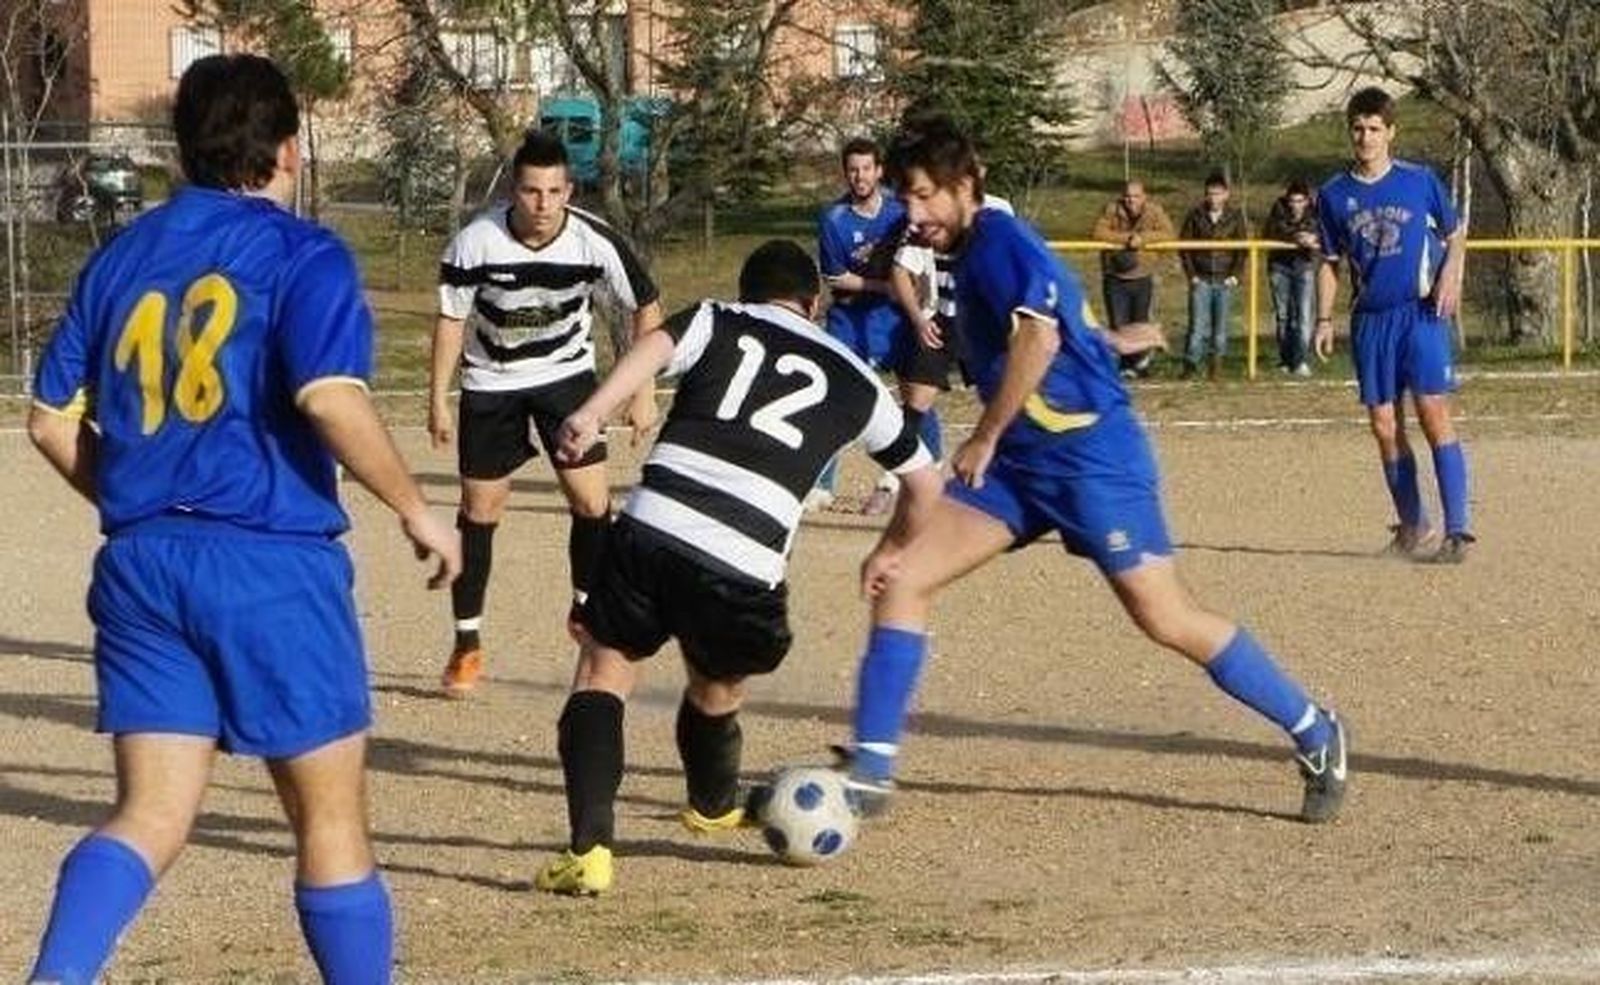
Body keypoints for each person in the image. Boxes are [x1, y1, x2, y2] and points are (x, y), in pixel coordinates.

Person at [23, 54, 460, 984]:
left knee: (150, 811)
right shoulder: (303, 254)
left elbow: (48, 420)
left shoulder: (120, 257)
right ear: (290, 150)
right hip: (267, 562)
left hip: (141, 565)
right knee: (330, 819)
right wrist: (419, 507)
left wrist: (140, 499)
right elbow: (330, 397)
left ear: (182, 148)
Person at [838, 117, 1349, 827]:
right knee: (903, 579)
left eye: (924, 196)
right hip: (1021, 462)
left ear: (966, 183)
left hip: (1092, 459)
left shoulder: (998, 243)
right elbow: (1059, 324)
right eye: (905, 199)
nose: (913, 213)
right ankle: (870, 770)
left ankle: (1315, 729)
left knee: (1164, 616)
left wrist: (985, 435)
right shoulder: (967, 251)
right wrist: (1103, 342)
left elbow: (1039, 337)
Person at [533, 240, 942, 895]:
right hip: (747, 562)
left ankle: (589, 850)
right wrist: (891, 548)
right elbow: (924, 486)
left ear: (749, 293)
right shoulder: (858, 380)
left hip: (656, 522)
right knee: (718, 686)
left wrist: (591, 411)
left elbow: (654, 348)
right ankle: (714, 801)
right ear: (815, 303)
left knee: (605, 669)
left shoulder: (719, 316)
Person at [429, 131, 663, 696]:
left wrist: (643, 390)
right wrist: (438, 395)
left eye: (554, 191)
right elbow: (452, 320)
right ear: (515, 190)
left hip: (566, 380)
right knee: (481, 509)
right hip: (492, 383)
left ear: (569, 190)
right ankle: (466, 642)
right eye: (532, 191)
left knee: (592, 500)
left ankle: (584, 611)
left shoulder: (594, 240)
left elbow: (648, 308)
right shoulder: (475, 242)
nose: (542, 204)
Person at [1314, 86, 1474, 563]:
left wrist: (1451, 273)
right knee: (1384, 426)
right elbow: (1329, 260)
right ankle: (1413, 525)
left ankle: (1457, 530)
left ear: (1391, 133)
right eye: (1358, 129)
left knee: (1432, 412)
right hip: (1371, 321)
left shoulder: (1419, 180)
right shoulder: (1333, 194)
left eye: (1375, 129)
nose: (1366, 137)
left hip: (1419, 315)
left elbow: (1455, 232)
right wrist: (1324, 318)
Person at [872, 191, 1016, 515]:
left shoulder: (998, 211)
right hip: (939, 318)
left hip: (981, 321)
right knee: (915, 404)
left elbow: (1009, 267)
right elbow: (900, 269)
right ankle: (891, 482)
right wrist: (919, 318)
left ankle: (1007, 483)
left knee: (1005, 402)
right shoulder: (924, 211)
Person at [811, 136, 910, 511]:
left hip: (894, 316)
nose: (860, 176)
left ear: (879, 171)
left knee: (915, 393)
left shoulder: (901, 211)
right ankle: (821, 485)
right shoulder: (834, 219)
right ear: (845, 173)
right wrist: (887, 286)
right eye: (853, 169)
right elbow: (837, 278)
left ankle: (914, 473)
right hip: (850, 317)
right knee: (834, 395)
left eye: (867, 168)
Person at [1091, 179, 1175, 377]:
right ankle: (1124, 366)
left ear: (1144, 197)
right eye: (1127, 196)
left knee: (1140, 323)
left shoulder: (1155, 211)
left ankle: (1140, 365)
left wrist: (1143, 239)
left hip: (1142, 275)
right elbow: (1098, 232)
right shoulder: (1111, 209)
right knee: (1119, 324)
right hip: (1115, 276)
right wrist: (1128, 240)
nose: (1131, 200)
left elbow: (1168, 233)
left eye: (1136, 196)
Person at [1178, 171, 1247, 380]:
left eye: (1217, 193)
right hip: (1202, 278)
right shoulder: (1195, 215)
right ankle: (1190, 365)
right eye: (1210, 194)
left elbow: (1242, 249)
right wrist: (1192, 275)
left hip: (1224, 279)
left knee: (1220, 329)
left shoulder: (1235, 217)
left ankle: (1215, 366)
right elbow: (1184, 247)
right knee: (1197, 327)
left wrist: (1235, 275)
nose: (1213, 198)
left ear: (1226, 194)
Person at [1262, 179, 1321, 376]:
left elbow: (1324, 232)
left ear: (1306, 201)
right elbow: (1271, 231)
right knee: (1283, 316)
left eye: (1299, 201)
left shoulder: (1316, 212)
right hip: (1279, 267)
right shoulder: (1278, 210)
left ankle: (1301, 360)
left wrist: (1314, 239)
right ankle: (1286, 360)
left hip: (1304, 267)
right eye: (1292, 201)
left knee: (1303, 316)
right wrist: (1297, 237)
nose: (1295, 205)